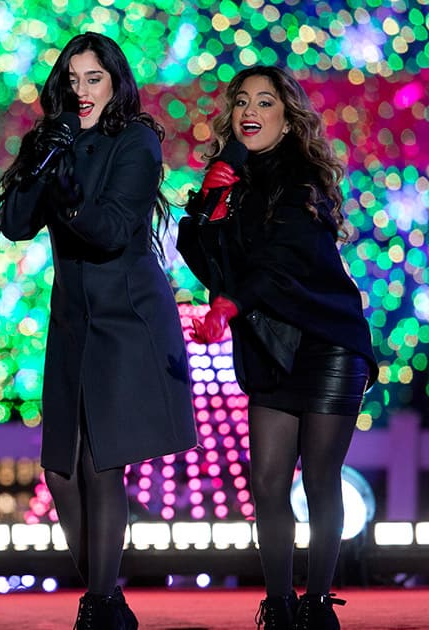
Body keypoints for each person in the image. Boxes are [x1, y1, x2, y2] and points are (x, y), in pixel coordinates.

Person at [0, 32, 197, 630]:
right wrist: (40, 163)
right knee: (60, 469)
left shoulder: (135, 140)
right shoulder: (52, 138)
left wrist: (68, 195)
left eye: (95, 79)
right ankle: (106, 595)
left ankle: (101, 600)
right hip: (73, 319)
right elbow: (12, 222)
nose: (82, 91)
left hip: (125, 316)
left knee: (103, 462)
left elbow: (110, 229)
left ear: (115, 83)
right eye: (74, 79)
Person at [177, 66, 375, 630]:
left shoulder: (302, 182)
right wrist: (208, 206)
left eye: (265, 102)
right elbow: (201, 256)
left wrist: (230, 307)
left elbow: (281, 264)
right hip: (269, 343)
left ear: (287, 121)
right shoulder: (229, 182)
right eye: (242, 101)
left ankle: (316, 605)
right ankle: (280, 605)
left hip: (327, 342)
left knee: (317, 477)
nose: (250, 111)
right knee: (266, 480)